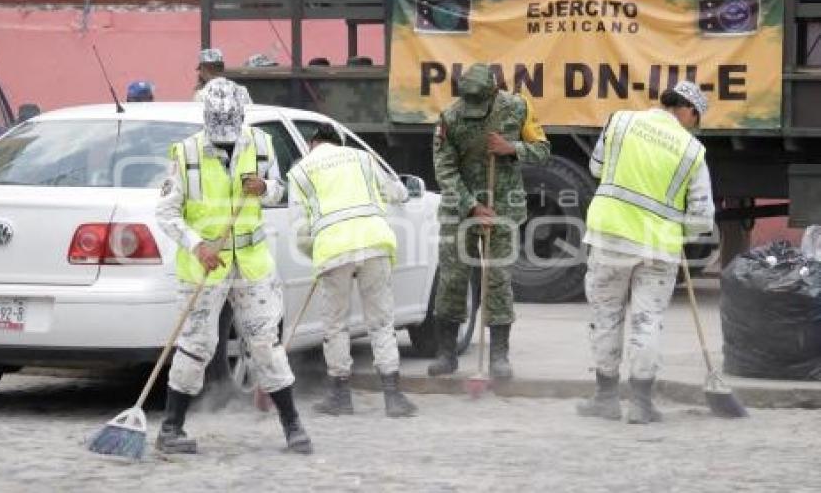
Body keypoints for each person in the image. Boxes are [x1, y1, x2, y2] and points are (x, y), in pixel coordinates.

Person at [155, 78, 312, 454]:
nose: (224, 133)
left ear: (242, 114)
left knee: (265, 344)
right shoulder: (186, 154)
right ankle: (170, 429)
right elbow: (166, 212)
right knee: (195, 346)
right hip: (204, 265)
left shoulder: (261, 144)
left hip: (252, 262)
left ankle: (292, 426)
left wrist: (265, 188)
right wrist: (197, 245)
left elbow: (280, 188)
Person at [577, 80, 715, 424]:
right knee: (647, 321)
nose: (694, 126)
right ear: (689, 111)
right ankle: (641, 404)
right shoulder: (692, 150)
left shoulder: (619, 122)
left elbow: (596, 168)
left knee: (606, 315)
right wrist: (682, 228)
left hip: (609, 237)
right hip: (659, 248)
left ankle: (606, 398)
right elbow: (702, 217)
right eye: (696, 118)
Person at [427, 63, 551, 379]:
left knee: (498, 279)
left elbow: (543, 151)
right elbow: (444, 169)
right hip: (461, 209)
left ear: (494, 91)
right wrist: (471, 206)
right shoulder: (449, 118)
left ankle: (499, 356)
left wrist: (513, 148)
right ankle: (446, 353)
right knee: (452, 278)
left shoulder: (518, 107)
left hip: (503, 208)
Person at [288, 122, 418, 418]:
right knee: (381, 322)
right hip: (374, 243)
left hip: (333, 251)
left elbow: (300, 228)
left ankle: (340, 396)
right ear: (338, 142)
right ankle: (394, 397)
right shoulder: (362, 158)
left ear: (312, 143)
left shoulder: (300, 172)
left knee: (336, 324)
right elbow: (397, 191)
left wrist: (316, 255)